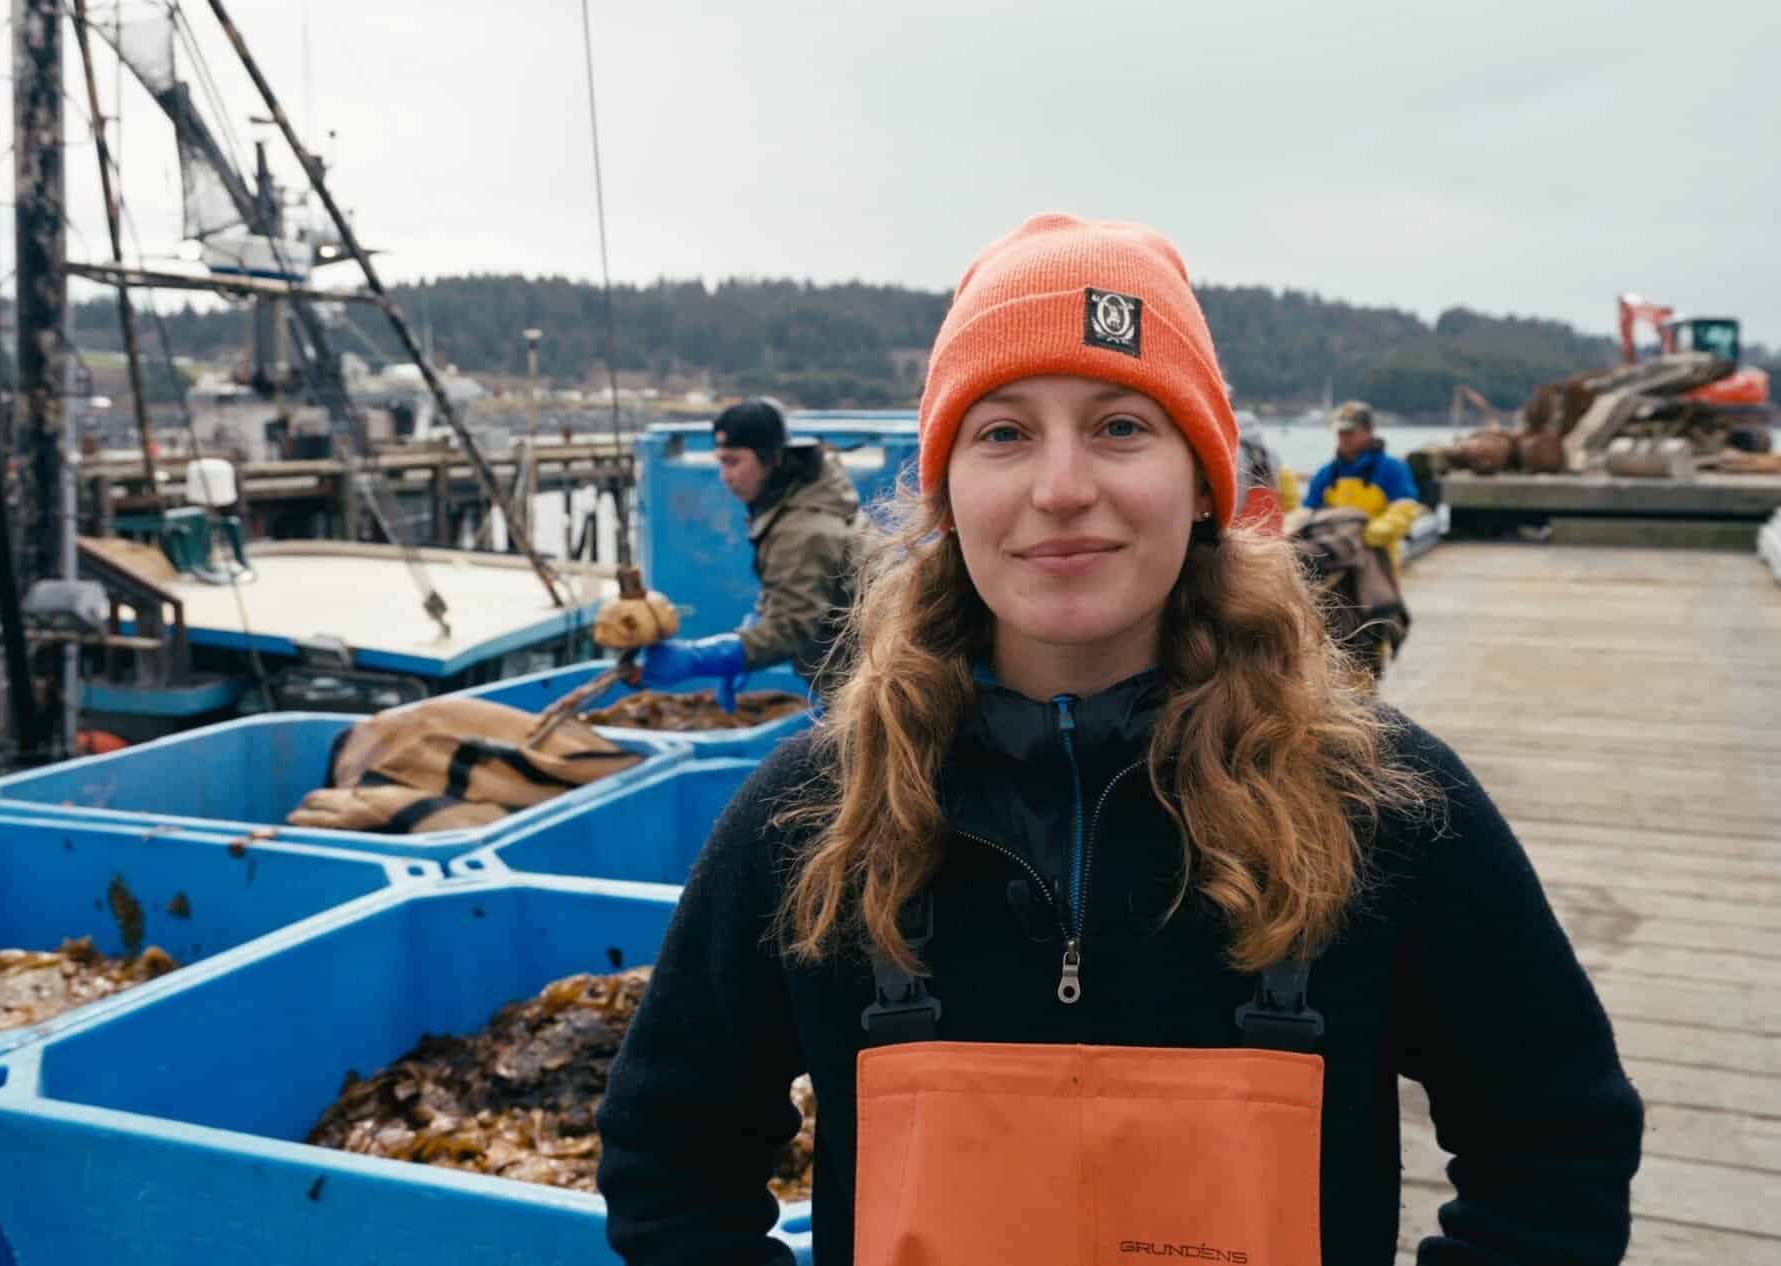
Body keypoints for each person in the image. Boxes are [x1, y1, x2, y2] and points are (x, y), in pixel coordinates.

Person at [597, 213, 1642, 1266]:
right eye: (1002, 433)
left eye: (1120, 427)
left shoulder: (1383, 799)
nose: (1060, 489)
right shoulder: (817, 812)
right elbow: (669, 1156)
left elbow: (1555, 1145)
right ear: (946, 493)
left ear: (1202, 484)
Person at [636, 399, 865, 708]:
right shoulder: (800, 495)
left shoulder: (806, 528)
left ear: (770, 459)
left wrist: (707, 657)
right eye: (720, 462)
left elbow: (789, 629)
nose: (724, 475)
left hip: (862, 688)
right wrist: (751, 629)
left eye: (733, 462)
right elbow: (790, 589)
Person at [1302, 399, 1419, 509]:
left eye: (1350, 432)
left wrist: (1372, 530)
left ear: (1369, 431)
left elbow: (1406, 509)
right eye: (1340, 432)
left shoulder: (1393, 469)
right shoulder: (1325, 473)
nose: (1344, 437)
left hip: (1378, 529)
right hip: (1335, 529)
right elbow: (1308, 509)